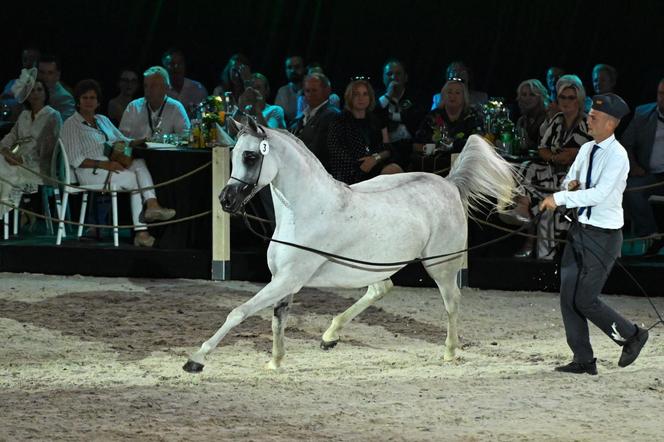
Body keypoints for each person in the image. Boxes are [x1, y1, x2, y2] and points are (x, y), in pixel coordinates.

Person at [539, 93, 649, 375]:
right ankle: (583, 359)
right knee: (568, 297)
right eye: (590, 115)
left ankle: (633, 334)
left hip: (603, 236)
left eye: (594, 117)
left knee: (585, 299)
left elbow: (600, 194)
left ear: (610, 124)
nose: (588, 119)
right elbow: (570, 180)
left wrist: (561, 198)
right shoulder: (586, 149)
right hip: (580, 231)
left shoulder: (618, 156)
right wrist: (568, 187)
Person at [61, 79, 175, 247]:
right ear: (78, 100)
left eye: (92, 98)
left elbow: (123, 141)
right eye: (85, 97)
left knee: (139, 163)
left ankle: (151, 206)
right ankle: (142, 230)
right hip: (90, 172)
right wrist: (104, 165)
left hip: (112, 166)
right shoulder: (71, 124)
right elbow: (75, 159)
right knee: (135, 180)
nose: (88, 101)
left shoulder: (102, 120)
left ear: (98, 101)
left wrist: (144, 140)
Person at [510, 75, 591, 259]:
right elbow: (543, 149)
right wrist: (555, 157)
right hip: (553, 169)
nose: (566, 102)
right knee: (526, 166)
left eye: (571, 98)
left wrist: (563, 156)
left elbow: (580, 153)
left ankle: (534, 226)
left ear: (578, 100)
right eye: (563, 97)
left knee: (547, 208)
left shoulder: (586, 123)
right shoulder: (556, 121)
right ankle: (522, 205)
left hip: (574, 176)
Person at [0, 68, 61, 218]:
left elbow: (48, 149)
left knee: (4, 170)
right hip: (16, 159)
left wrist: (22, 160)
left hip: (39, 165)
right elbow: (11, 135)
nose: (36, 93)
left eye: (39, 90)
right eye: (32, 90)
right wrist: (6, 150)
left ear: (45, 93)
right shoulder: (24, 115)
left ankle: (4, 212)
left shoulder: (52, 115)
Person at [327, 79, 402, 184]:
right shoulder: (339, 120)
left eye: (365, 94)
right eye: (356, 94)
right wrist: (361, 167)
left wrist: (375, 159)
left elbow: (388, 149)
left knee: (394, 169)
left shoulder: (376, 120)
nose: (361, 98)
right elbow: (335, 150)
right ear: (350, 97)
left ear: (370, 97)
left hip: (375, 165)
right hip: (350, 171)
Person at [621, 78, 664, 255]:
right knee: (631, 189)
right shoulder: (643, 114)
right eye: (661, 94)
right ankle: (651, 236)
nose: (663, 99)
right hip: (650, 174)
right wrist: (634, 165)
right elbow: (625, 144)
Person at [414, 77, 482, 158]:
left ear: (464, 97)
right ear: (443, 95)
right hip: (435, 164)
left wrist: (452, 148)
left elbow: (478, 144)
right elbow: (416, 145)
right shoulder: (433, 116)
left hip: (464, 162)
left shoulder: (473, 116)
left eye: (457, 93)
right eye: (449, 92)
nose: (453, 96)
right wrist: (436, 150)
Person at [376, 59, 424, 171]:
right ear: (383, 78)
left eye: (398, 73)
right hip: (383, 147)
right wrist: (388, 95)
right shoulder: (376, 98)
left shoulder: (416, 97)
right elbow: (375, 115)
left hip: (409, 148)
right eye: (389, 74)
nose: (393, 77)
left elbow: (415, 119)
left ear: (406, 77)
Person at [119, 66, 190, 140]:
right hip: (138, 151)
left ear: (166, 88)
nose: (148, 90)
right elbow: (121, 139)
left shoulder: (176, 108)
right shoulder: (133, 107)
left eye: (153, 86)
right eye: (146, 86)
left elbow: (185, 139)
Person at [289, 73, 340, 169]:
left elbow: (318, 150)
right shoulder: (299, 118)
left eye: (315, 90)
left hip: (318, 171)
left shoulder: (332, 115)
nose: (310, 94)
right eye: (307, 91)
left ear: (327, 91)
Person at [162, 48, 208, 117]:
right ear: (164, 67)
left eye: (179, 63)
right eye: (172, 64)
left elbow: (207, 116)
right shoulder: (161, 91)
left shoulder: (198, 89)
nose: (176, 67)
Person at [1, 47, 40, 120]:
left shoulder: (43, 88)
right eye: (25, 59)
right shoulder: (11, 84)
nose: (28, 63)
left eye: (32, 59)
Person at [37, 54, 75, 121]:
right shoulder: (32, 91)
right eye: (41, 72)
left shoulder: (65, 98)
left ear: (57, 75)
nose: (45, 76)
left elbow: (64, 127)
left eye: (50, 73)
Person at [515, 79, 549, 150]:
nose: (527, 98)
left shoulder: (548, 118)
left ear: (540, 97)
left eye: (532, 94)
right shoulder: (521, 121)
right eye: (524, 95)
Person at [275, 55, 305, 123]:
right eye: (289, 67)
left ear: (303, 68)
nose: (293, 70)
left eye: (297, 67)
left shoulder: (312, 88)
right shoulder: (282, 91)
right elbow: (277, 117)